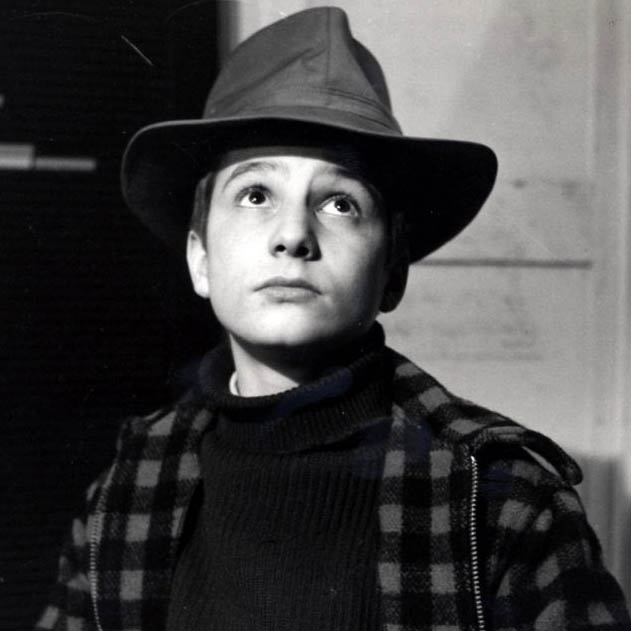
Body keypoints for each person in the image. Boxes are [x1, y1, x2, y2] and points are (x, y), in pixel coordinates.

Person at [36, 7, 630, 631]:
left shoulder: (505, 499)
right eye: (255, 195)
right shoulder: (126, 489)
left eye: (340, 203)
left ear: (392, 272)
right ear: (200, 258)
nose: (293, 234)